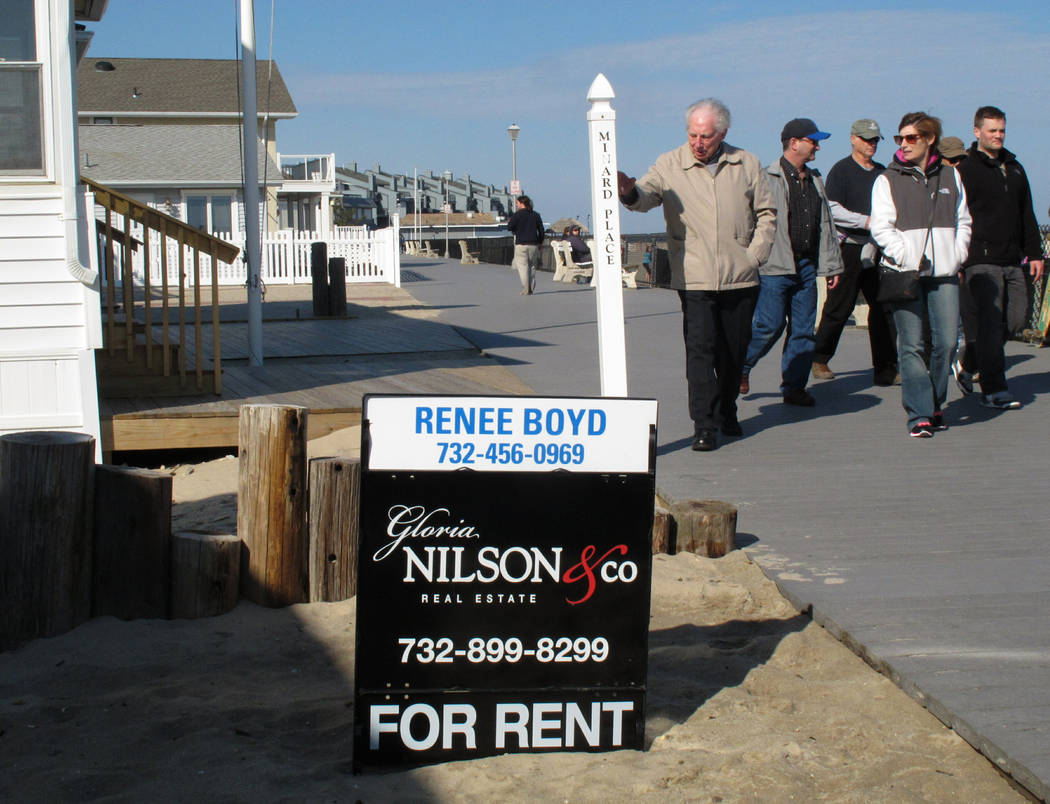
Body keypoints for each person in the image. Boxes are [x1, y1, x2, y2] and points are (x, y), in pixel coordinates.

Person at [617, 98, 775, 452]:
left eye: (705, 136)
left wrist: (755, 254)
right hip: (694, 276)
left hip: (741, 275)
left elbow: (767, 213)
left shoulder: (746, 163)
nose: (698, 143)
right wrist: (628, 192)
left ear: (722, 133)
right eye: (692, 135)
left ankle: (727, 409)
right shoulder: (670, 163)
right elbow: (645, 196)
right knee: (700, 352)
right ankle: (704, 424)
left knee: (732, 353)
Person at [871, 112, 971, 437]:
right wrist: (907, 255)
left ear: (929, 139)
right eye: (900, 138)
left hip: (944, 272)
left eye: (911, 137)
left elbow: (963, 220)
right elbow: (881, 228)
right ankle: (919, 414)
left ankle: (935, 402)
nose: (904, 144)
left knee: (945, 343)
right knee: (911, 344)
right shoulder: (887, 179)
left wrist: (957, 255)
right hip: (905, 273)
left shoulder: (951, 177)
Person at [740, 118, 843, 407]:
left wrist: (831, 265)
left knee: (803, 331)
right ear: (794, 142)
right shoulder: (766, 177)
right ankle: (740, 366)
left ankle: (794, 388)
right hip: (774, 264)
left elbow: (825, 224)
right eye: (813, 141)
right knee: (768, 326)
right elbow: (750, 220)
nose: (818, 147)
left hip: (807, 265)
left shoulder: (814, 178)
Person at [955, 106, 1045, 409]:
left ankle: (968, 365)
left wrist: (1035, 253)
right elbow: (956, 216)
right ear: (977, 131)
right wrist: (958, 258)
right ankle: (994, 389)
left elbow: (1026, 213)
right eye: (992, 130)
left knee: (1016, 320)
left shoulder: (1015, 167)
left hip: (1012, 258)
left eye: (1001, 130)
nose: (997, 136)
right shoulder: (966, 169)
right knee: (991, 325)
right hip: (980, 259)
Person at [811, 119, 898, 386]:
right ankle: (820, 357)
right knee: (840, 306)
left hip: (877, 249)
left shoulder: (883, 173)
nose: (871, 144)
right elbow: (833, 207)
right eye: (866, 139)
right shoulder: (841, 170)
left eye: (874, 140)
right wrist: (866, 221)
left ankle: (885, 369)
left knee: (883, 308)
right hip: (848, 247)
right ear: (853, 139)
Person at [507, 195, 544, 295]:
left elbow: (509, 227)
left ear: (522, 203)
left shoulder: (517, 215)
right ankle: (531, 286)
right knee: (532, 266)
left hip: (521, 244)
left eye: (517, 203)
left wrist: (515, 228)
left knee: (523, 267)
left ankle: (526, 288)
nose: (516, 205)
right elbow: (541, 230)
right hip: (533, 244)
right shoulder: (536, 215)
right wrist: (540, 242)